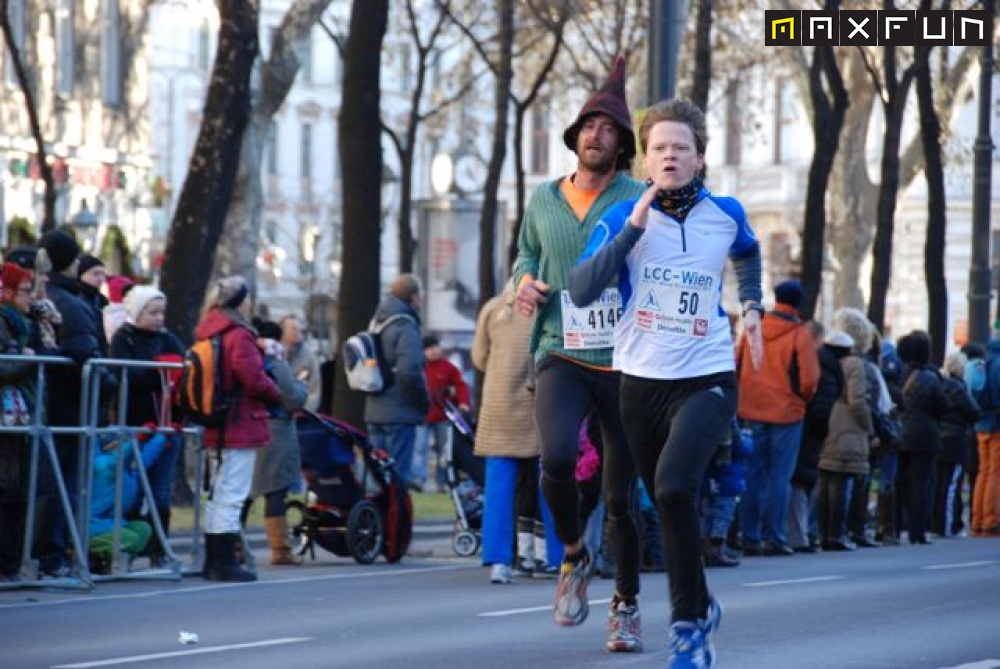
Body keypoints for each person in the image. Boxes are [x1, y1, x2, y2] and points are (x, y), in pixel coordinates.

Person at [569, 96, 764, 667]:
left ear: (700, 158)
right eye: (660, 148)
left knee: (677, 488)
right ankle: (701, 602)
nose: (671, 156)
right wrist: (629, 232)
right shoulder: (619, 216)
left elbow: (747, 254)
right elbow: (581, 290)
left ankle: (688, 630)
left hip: (706, 378)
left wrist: (750, 304)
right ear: (644, 162)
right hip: (640, 382)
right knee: (661, 498)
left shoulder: (725, 213)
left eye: (682, 147)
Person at [513, 55, 646, 651]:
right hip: (559, 350)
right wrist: (521, 284)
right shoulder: (543, 199)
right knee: (558, 457)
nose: (596, 135)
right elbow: (524, 258)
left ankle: (626, 606)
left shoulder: (640, 195)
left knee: (620, 497)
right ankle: (571, 551)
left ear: (622, 146)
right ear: (575, 136)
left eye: (608, 128)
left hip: (625, 359)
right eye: (589, 125)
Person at [36, 229, 116, 576]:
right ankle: (54, 555)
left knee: (56, 480)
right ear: (71, 262)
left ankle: (55, 551)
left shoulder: (53, 295)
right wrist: (112, 386)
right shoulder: (69, 301)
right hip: (70, 407)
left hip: (57, 404)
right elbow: (86, 354)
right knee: (62, 482)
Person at [196, 276, 281, 582]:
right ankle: (224, 562)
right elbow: (252, 377)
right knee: (233, 492)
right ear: (241, 302)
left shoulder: (208, 330)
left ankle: (213, 559)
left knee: (219, 493)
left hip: (216, 422)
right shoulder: (238, 334)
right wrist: (275, 391)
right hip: (239, 422)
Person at [472, 282, 550, 584]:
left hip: (498, 408)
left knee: (498, 490)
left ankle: (499, 561)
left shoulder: (493, 309)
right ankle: (555, 556)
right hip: (536, 406)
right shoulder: (545, 310)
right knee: (550, 481)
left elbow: (479, 357)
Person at [737, 279, 820, 557]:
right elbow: (809, 380)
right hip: (787, 412)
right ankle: (774, 536)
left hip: (751, 408)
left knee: (752, 475)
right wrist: (800, 400)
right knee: (779, 477)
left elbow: (735, 363)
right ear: (798, 302)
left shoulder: (754, 328)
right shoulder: (800, 334)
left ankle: (749, 536)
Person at [108, 285, 186, 566]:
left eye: (162, 312)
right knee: (131, 490)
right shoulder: (123, 339)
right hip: (135, 428)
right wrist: (161, 371)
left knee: (161, 492)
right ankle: (126, 547)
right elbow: (127, 377)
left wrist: (166, 374)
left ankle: (159, 548)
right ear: (137, 312)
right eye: (152, 312)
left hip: (167, 428)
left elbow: (183, 372)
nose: (159, 318)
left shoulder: (169, 340)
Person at [0, 261, 57, 579]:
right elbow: (5, 367)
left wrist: (42, 332)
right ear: (7, 292)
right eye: (25, 291)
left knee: (21, 493)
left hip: (24, 417)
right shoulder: (3, 321)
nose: (30, 297)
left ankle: (11, 563)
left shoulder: (25, 321)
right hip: (8, 419)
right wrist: (26, 359)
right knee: (7, 492)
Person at [243, 320, 308, 566]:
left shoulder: (246, 359)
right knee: (275, 491)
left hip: (249, 429)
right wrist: (301, 388)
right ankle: (281, 550)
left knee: (244, 492)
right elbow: (291, 399)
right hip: (277, 431)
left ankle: (235, 546)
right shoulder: (276, 362)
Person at [364, 274, 430, 489]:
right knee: (398, 477)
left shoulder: (377, 321)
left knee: (377, 478)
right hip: (399, 412)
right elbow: (409, 371)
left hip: (374, 409)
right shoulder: (405, 326)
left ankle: (377, 519)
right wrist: (422, 401)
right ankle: (396, 521)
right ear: (413, 297)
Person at [815, 325, 870, 552]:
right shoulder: (854, 364)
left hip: (825, 421)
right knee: (841, 483)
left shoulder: (820, 359)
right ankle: (836, 534)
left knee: (825, 482)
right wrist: (869, 426)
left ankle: (821, 533)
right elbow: (857, 400)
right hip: (847, 426)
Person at [787, 321, 839, 553]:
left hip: (801, 423)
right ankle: (801, 534)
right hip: (808, 426)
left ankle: (798, 533)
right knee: (803, 478)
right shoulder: (825, 363)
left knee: (799, 478)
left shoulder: (816, 361)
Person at [895, 330, 946, 545]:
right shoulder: (931, 377)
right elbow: (942, 405)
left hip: (898, 432)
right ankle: (917, 531)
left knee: (898, 481)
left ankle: (893, 527)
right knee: (920, 483)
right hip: (924, 435)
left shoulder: (897, 373)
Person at [415, 335, 471, 492]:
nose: (432, 351)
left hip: (442, 417)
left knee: (444, 451)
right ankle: (418, 480)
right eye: (428, 349)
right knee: (419, 449)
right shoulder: (418, 367)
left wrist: (463, 403)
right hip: (422, 416)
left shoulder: (448, 368)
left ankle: (444, 482)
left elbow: (461, 386)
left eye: (434, 347)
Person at [934, 351, 980, 537]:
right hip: (956, 439)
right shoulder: (959, 388)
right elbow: (974, 411)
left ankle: (936, 523)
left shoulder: (939, 384)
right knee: (951, 484)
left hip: (939, 437)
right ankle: (946, 525)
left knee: (938, 483)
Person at [280, 314, 321, 411]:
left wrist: (305, 410)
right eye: (293, 329)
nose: (297, 332)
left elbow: (314, 390)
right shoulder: (273, 354)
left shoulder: (310, 357)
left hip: (300, 414)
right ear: (282, 331)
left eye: (299, 329)